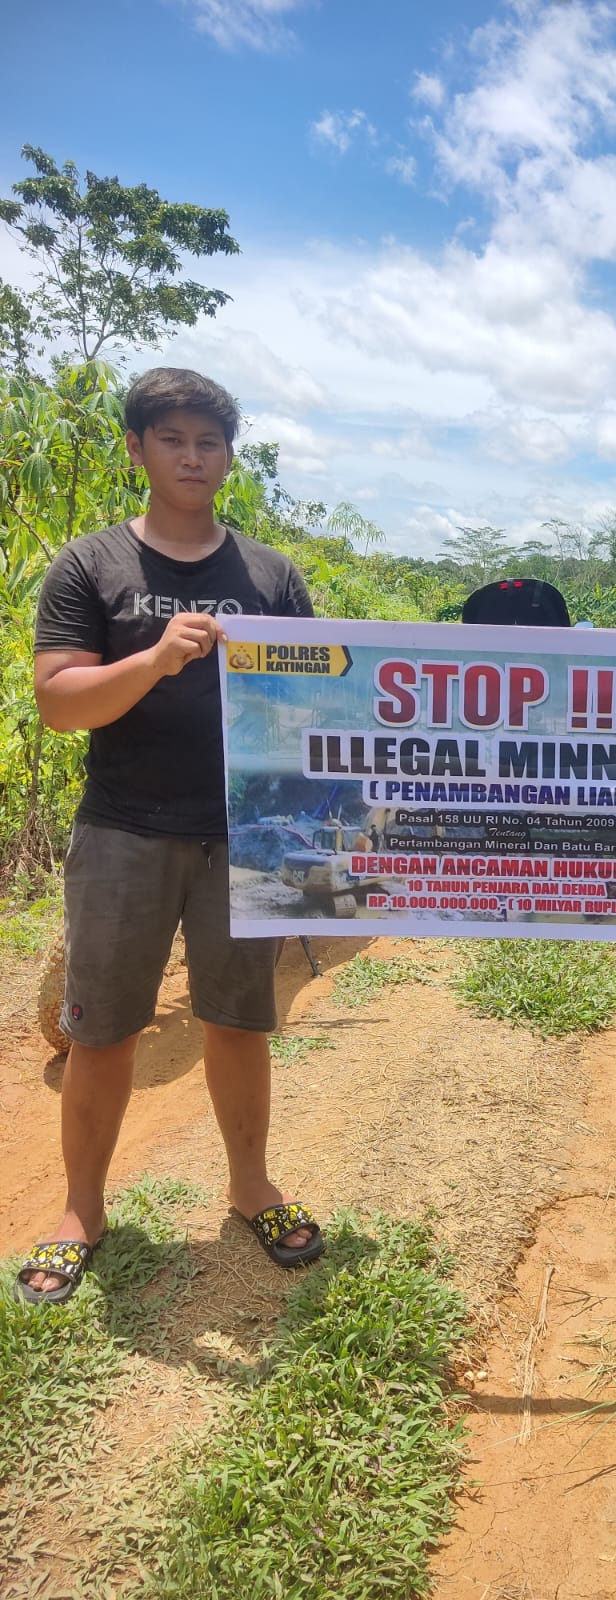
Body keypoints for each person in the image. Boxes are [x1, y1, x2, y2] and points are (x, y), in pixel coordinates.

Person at [17, 368, 323, 1305]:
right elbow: (60, 702)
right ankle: (82, 1211)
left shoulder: (270, 576)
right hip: (124, 834)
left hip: (250, 835)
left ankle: (250, 1187)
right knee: (103, 1032)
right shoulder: (92, 566)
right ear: (137, 449)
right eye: (174, 439)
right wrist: (153, 659)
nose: (194, 457)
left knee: (239, 1021)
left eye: (211, 442)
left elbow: (322, 704)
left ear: (230, 457)